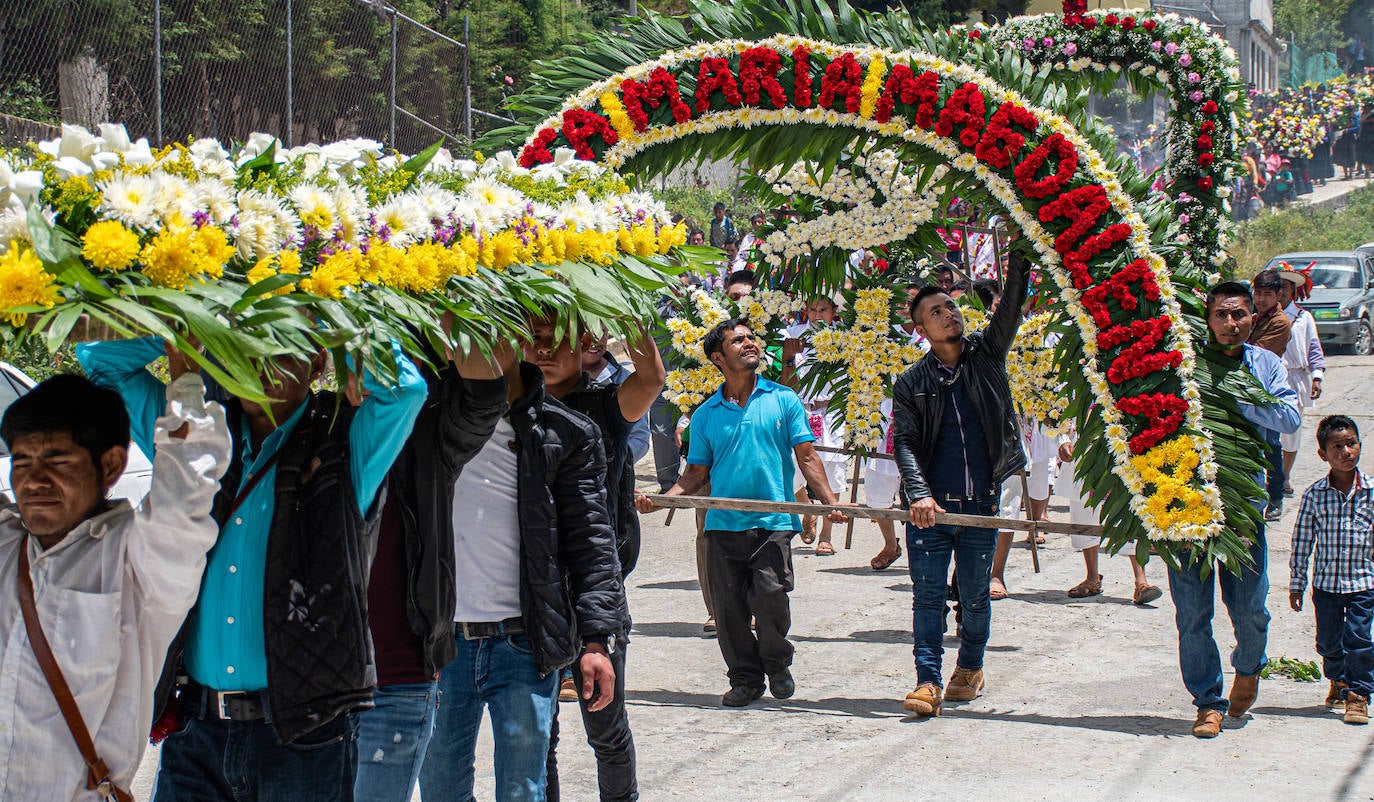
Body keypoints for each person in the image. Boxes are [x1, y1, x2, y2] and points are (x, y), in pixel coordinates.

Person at [79, 336, 427, 801]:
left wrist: (333, 318)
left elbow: (405, 391)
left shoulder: (343, 444)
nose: (260, 366)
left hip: (302, 735)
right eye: (244, 346)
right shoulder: (197, 441)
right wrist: (188, 325)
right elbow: (102, 363)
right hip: (197, 729)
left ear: (316, 362)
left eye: (279, 348)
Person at [0, 361, 230, 800]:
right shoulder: (7, 545)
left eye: (56, 460)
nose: (33, 481)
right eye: (22, 462)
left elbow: (186, 490)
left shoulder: (141, 563)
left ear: (110, 465)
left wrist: (185, 377)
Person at [417, 343, 626, 802]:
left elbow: (591, 543)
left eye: (487, 333)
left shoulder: (566, 431)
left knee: (523, 789)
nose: (473, 345)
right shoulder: (426, 422)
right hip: (441, 645)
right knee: (439, 789)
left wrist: (596, 641)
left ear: (516, 337)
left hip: (523, 644)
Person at [637, 318, 847, 707]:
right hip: (723, 524)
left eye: (751, 338)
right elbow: (696, 474)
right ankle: (745, 679)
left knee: (770, 596)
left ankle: (777, 663)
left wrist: (829, 502)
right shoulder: (706, 414)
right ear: (718, 358)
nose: (750, 343)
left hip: (773, 521)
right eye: (738, 340)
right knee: (729, 610)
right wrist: (666, 499)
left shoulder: (783, 399)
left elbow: (807, 456)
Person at [353, 336, 510, 802]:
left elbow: (484, 398)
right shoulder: (314, 430)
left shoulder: (428, 438)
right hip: (311, 683)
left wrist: (450, 323)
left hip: (397, 677)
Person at [892, 246, 1030, 718]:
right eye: (936, 311)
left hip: (980, 505)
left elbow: (1012, 305)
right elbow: (905, 443)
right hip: (930, 511)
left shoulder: (987, 355)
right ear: (921, 329)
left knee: (974, 596)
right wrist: (919, 494)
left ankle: (970, 667)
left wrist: (1020, 254)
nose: (949, 314)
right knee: (928, 597)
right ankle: (928, 680)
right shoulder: (911, 382)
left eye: (951, 306)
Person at [532, 317, 664, 802]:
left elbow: (651, 378)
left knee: (605, 726)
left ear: (585, 343)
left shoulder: (605, 405)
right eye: (534, 341)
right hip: (531, 584)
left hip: (594, 583)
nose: (543, 352)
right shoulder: (510, 409)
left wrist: (629, 315)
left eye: (555, 341)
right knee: (538, 732)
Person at [1171, 281, 1301, 739]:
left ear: (1252, 318)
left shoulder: (1265, 364)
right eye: (1221, 315)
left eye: (1239, 314)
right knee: (1192, 614)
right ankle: (1208, 701)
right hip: (1185, 505)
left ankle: (1249, 668)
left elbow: (1290, 418)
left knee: (1249, 610)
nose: (1230, 323)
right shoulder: (1185, 365)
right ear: (1207, 319)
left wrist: (1241, 395)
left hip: (1243, 508)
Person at [1289, 415, 1374, 725]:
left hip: (1363, 583)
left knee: (1359, 639)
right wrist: (1297, 582)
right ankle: (1338, 679)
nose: (1346, 452)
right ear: (1323, 454)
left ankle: (1358, 695)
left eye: (1351, 444)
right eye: (1337, 447)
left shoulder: (1371, 491)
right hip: (1326, 585)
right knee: (1328, 641)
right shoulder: (1315, 495)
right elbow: (1302, 540)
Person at [1057, 427, 1160, 604]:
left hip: (1121, 446)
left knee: (1127, 510)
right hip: (1083, 449)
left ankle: (1141, 581)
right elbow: (1060, 418)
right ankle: (1092, 577)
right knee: (1084, 513)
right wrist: (1063, 440)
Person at [781, 294, 849, 556]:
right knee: (793, 468)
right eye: (812, 310)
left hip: (832, 411)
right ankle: (808, 508)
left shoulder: (845, 336)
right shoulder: (794, 334)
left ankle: (826, 535)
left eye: (823, 309)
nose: (818, 315)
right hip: (801, 409)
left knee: (832, 471)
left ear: (834, 310)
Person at [1276, 268, 1326, 497]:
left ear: (1293, 290)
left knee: (1291, 432)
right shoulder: (1262, 315)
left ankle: (1285, 476)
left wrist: (1317, 377)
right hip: (1271, 379)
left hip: (1295, 378)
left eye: (1286, 286)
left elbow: (1314, 349)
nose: (1282, 291)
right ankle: (1271, 477)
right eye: (1278, 286)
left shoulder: (1303, 318)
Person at [1249, 269, 1293, 522]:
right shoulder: (1256, 317)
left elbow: (1257, 353)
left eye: (1267, 294)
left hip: (1266, 392)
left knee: (1271, 446)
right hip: (1251, 391)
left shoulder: (1279, 323)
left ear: (1278, 295)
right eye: (1258, 293)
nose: (1261, 299)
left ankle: (1275, 496)